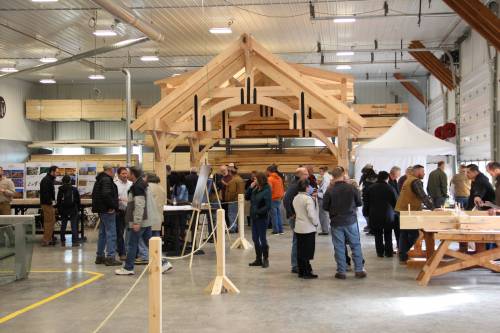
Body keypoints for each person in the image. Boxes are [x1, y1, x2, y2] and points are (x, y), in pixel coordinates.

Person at [323, 167, 366, 280]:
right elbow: (359, 203)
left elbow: (325, 207)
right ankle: (359, 270)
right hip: (350, 220)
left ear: (332, 176)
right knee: (355, 245)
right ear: (343, 175)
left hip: (336, 222)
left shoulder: (330, 190)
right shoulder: (352, 188)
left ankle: (341, 272)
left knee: (339, 247)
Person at [116, 167, 152, 275]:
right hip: (145, 221)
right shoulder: (141, 184)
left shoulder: (137, 187)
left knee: (132, 245)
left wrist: (136, 222)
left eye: (129, 173)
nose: (127, 175)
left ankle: (128, 268)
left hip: (139, 222)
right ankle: (163, 263)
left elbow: (139, 205)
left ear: (133, 174)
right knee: (151, 244)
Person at [395, 165, 435, 263]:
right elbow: (423, 196)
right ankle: (405, 253)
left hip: (402, 210)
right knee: (414, 234)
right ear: (417, 172)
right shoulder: (415, 181)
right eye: (423, 171)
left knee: (404, 234)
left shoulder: (408, 180)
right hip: (408, 212)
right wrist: (433, 209)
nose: (424, 173)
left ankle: (403, 256)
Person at [92, 164, 121, 266]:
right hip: (107, 210)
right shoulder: (106, 180)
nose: (114, 173)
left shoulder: (100, 179)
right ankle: (110, 257)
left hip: (102, 210)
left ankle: (100, 256)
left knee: (103, 234)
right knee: (111, 234)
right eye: (114, 171)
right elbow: (106, 194)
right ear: (110, 170)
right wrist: (112, 206)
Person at [145, 173, 173, 273]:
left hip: (149, 218)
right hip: (158, 218)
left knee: (147, 242)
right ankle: (161, 262)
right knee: (156, 242)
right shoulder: (161, 188)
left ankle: (161, 262)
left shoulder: (148, 188)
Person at [284, 167, 309, 274]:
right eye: (305, 174)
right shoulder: (295, 186)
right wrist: (291, 214)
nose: (307, 175)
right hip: (296, 218)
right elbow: (286, 199)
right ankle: (295, 265)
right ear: (299, 175)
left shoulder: (300, 184)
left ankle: (299, 263)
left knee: (299, 241)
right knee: (297, 241)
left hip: (299, 217)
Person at [366, 171, 397, 258]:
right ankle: (389, 252)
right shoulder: (390, 188)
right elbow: (395, 202)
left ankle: (380, 252)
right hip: (388, 214)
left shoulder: (370, 188)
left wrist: (367, 213)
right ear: (387, 178)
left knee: (378, 234)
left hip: (374, 214)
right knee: (388, 234)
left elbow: (366, 202)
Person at [292, 179, 319, 279]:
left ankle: (301, 271)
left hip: (299, 227)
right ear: (307, 187)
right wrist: (316, 223)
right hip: (308, 229)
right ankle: (307, 272)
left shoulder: (296, 198)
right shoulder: (308, 199)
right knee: (307, 252)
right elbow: (311, 214)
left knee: (300, 251)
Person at [246, 172, 272, 268]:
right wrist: (250, 187)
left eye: (255, 179)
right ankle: (258, 259)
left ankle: (265, 259)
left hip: (262, 218)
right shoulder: (255, 189)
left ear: (260, 180)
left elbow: (268, 206)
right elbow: (246, 197)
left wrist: (258, 212)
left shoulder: (267, 189)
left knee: (262, 238)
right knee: (255, 238)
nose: (254, 180)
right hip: (254, 217)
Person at [56, 175, 80, 247]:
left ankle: (63, 240)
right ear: (70, 181)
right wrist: (77, 208)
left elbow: (59, 200)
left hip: (64, 209)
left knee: (63, 225)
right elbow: (78, 200)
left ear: (62, 181)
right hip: (73, 209)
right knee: (74, 225)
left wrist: (59, 209)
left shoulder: (60, 189)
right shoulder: (74, 189)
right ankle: (75, 241)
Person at [115, 167, 132, 260]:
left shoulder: (131, 184)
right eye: (123, 174)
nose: (125, 175)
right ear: (118, 175)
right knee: (120, 233)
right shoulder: (115, 185)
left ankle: (130, 251)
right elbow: (114, 197)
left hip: (130, 211)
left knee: (130, 232)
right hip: (120, 211)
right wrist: (120, 199)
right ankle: (122, 253)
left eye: (126, 173)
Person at [40, 165, 58, 246]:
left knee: (51, 221)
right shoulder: (46, 180)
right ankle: (46, 240)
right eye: (56, 172)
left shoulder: (49, 179)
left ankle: (49, 238)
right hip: (47, 204)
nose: (57, 174)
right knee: (49, 222)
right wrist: (51, 203)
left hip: (48, 204)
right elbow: (46, 194)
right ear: (52, 172)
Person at [225, 167, 245, 233]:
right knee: (238, 215)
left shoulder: (233, 181)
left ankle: (233, 228)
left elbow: (232, 192)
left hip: (233, 200)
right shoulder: (240, 179)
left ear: (230, 172)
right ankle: (237, 228)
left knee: (232, 214)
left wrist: (228, 199)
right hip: (240, 200)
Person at [267, 165, 285, 235]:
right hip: (279, 198)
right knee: (278, 214)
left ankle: (275, 231)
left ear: (269, 171)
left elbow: (270, 189)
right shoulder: (279, 178)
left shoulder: (270, 179)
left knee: (274, 215)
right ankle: (281, 230)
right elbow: (282, 187)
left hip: (273, 198)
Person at [0, 167, 16, 246]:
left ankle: (12, 241)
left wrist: (4, 191)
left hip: (5, 205)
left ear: (2, 171)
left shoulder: (8, 181)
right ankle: (1, 242)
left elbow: (13, 193)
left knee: (7, 224)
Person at [361, 168, 377, 234]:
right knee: (369, 214)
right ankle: (371, 227)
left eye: (364, 173)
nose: (363, 174)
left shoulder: (367, 180)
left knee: (366, 213)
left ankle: (371, 228)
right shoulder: (376, 179)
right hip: (373, 200)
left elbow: (365, 189)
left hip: (368, 199)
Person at [317, 166, 332, 236]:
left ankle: (325, 230)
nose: (319, 173)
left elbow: (324, 189)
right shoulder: (329, 176)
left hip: (323, 198)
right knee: (326, 214)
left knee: (323, 214)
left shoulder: (325, 177)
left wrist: (317, 193)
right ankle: (326, 228)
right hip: (326, 197)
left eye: (320, 171)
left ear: (324, 171)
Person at [389, 166, 401, 247]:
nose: (399, 175)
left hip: (396, 208)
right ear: (394, 173)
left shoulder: (394, 181)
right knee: (395, 228)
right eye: (398, 173)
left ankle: (399, 245)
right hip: (392, 209)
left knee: (397, 229)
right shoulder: (389, 182)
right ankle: (397, 245)